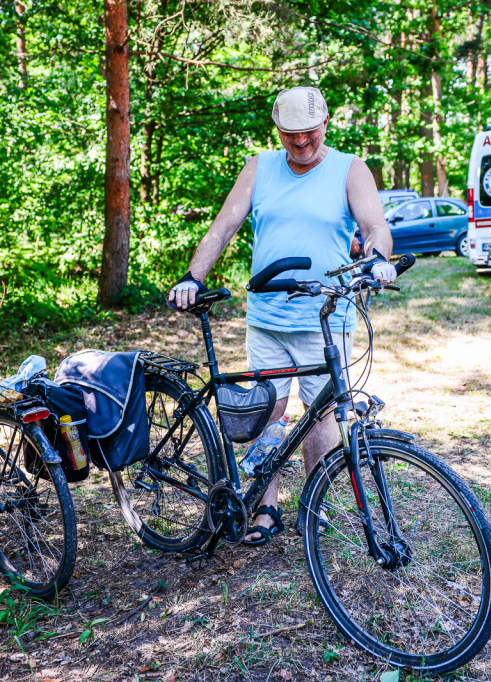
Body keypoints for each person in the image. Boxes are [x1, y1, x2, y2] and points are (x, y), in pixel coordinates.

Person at [168, 87, 396, 544]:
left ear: (325, 124)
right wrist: (193, 276)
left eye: (309, 133)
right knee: (266, 411)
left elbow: (374, 227)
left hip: (327, 317)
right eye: (291, 135)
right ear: (278, 131)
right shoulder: (260, 167)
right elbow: (225, 225)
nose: (301, 143)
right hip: (268, 316)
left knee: (322, 415)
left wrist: (377, 261)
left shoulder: (349, 169)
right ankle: (266, 508)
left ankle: (314, 504)